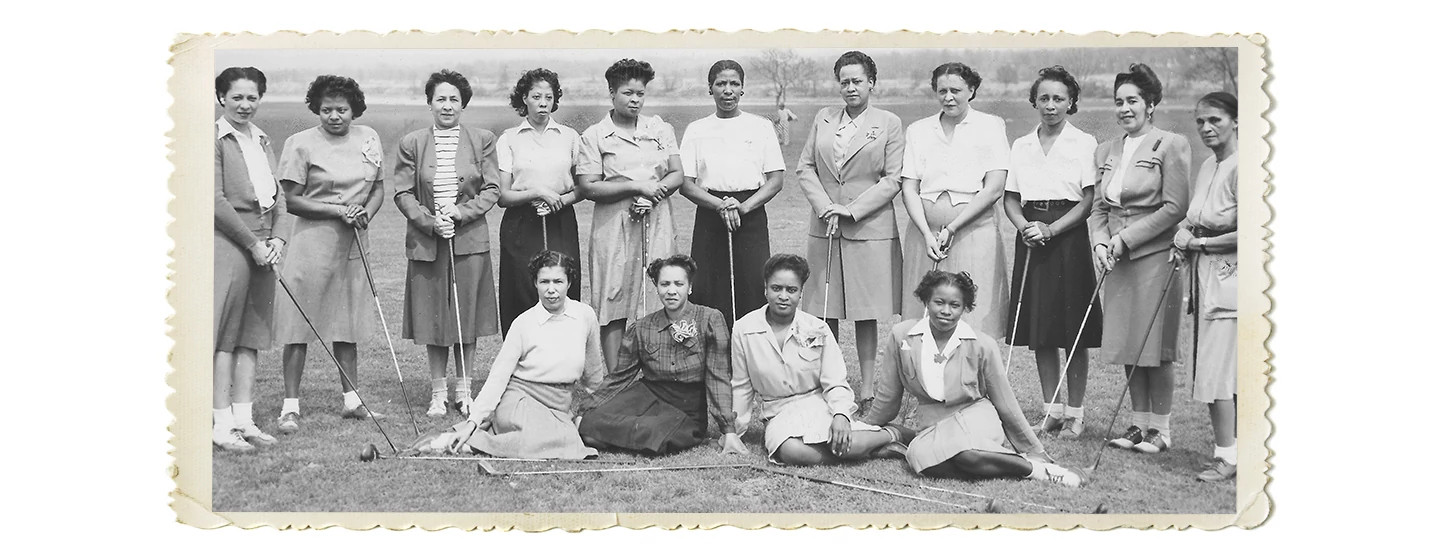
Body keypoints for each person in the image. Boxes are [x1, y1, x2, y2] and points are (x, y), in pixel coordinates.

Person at [860, 271, 1084, 486]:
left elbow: (1006, 403)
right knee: (921, 462)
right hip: (933, 424)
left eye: (955, 305)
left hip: (975, 415)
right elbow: (888, 396)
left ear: (965, 308)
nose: (946, 311)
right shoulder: (902, 336)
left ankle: (1039, 470)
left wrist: (1036, 451)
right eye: (939, 302)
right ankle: (1000, 465)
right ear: (926, 302)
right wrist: (864, 428)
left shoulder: (982, 344)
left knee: (967, 456)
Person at [272, 74, 388, 433]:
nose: (334, 116)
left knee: (347, 324)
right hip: (312, 243)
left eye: (341, 109)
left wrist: (366, 211)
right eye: (326, 110)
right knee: (299, 324)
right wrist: (339, 211)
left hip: (353, 242)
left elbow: (378, 188)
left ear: (354, 110)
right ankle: (290, 406)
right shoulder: (299, 143)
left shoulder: (369, 137)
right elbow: (291, 200)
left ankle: (352, 401)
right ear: (316, 110)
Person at [1088, 63, 1192, 454]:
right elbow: (1098, 209)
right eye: (1119, 102)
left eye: (1133, 100)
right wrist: (1100, 243)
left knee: (1154, 345)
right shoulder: (1106, 149)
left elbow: (1175, 206)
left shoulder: (1171, 143)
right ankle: (1137, 423)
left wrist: (1126, 238)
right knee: (1129, 342)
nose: (1124, 108)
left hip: (1155, 257)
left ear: (1151, 104)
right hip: (1115, 259)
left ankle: (1160, 430)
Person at [795, 50, 905, 413]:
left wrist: (851, 210)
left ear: (872, 83)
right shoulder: (824, 118)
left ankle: (869, 387)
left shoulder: (888, 122)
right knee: (821, 308)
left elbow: (892, 180)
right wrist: (826, 206)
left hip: (867, 227)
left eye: (858, 81)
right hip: (824, 224)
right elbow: (806, 167)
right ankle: (823, 381)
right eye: (844, 81)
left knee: (864, 311)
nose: (851, 87)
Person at [1001, 66, 1103, 438]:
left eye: (1059, 98)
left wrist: (1052, 228)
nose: (1050, 105)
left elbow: (1088, 200)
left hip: (1067, 237)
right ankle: (1051, 411)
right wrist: (1025, 226)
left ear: (1071, 102)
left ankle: (1075, 413)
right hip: (1031, 237)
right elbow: (1011, 199)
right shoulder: (1022, 145)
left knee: (1071, 329)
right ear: (1034, 102)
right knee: (1042, 330)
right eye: (1044, 98)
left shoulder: (1084, 142)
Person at [393, 69, 502, 418]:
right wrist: (431, 222)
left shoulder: (482, 139)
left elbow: (492, 189)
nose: (447, 105)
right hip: (428, 242)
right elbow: (403, 192)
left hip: (468, 240)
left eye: (454, 99)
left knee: (465, 316)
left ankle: (465, 391)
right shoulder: (412, 142)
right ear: (429, 103)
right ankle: (438, 393)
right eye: (440, 98)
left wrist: (460, 213)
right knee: (435, 320)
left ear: (463, 104)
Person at [731, 254, 902, 465]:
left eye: (791, 290)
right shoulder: (743, 329)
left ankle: (892, 434)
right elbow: (741, 388)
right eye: (776, 288)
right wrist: (733, 433)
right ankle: (871, 450)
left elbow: (836, 381)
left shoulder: (817, 327)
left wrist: (841, 414)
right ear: (765, 288)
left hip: (819, 405)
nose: (783, 296)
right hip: (778, 413)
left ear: (801, 293)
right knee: (793, 451)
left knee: (843, 440)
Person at [577, 255, 746, 455]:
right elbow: (619, 377)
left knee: (654, 434)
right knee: (588, 427)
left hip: (686, 407)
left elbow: (718, 377)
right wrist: (585, 409)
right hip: (646, 394)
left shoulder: (710, 319)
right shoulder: (642, 327)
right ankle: (630, 431)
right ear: (656, 287)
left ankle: (641, 433)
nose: (671, 291)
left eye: (679, 284)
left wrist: (728, 430)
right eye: (665, 284)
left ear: (690, 287)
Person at [577, 58, 684, 373]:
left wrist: (653, 194)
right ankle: (615, 378)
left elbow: (676, 174)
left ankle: (658, 372)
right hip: (613, 225)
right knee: (613, 297)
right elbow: (588, 186)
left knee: (660, 292)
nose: (635, 99)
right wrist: (635, 187)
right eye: (627, 93)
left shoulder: (659, 128)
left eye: (640, 93)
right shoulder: (595, 136)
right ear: (612, 93)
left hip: (658, 219)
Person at [447, 251, 606, 458]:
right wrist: (473, 422)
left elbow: (593, 373)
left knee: (567, 434)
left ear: (569, 283)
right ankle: (475, 441)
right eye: (544, 282)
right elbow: (498, 377)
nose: (551, 290)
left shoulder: (585, 315)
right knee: (562, 439)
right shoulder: (523, 323)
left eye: (558, 281)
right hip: (521, 400)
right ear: (535, 283)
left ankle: (507, 440)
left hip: (559, 406)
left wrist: (603, 407)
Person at [899, 62, 1010, 338]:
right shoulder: (918, 130)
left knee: (974, 315)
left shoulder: (990, 125)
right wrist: (927, 233)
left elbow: (994, 188)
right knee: (923, 313)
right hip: (925, 238)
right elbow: (909, 187)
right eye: (942, 91)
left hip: (974, 233)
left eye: (956, 90)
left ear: (971, 90)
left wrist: (952, 227)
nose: (949, 97)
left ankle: (970, 378)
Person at [213, 66, 292, 452]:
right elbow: (215, 201)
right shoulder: (213, 138)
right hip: (231, 242)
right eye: (237, 97)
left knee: (251, 335)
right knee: (225, 335)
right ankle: (221, 423)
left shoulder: (262, 139)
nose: (245, 105)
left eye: (252, 97)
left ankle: (244, 420)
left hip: (264, 243)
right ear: (221, 98)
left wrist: (277, 237)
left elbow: (279, 196)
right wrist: (251, 244)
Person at [679, 60, 786, 326]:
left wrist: (743, 207)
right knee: (707, 287)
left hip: (750, 212)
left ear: (742, 89)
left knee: (752, 284)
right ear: (710, 89)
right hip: (710, 212)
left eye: (734, 84)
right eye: (721, 84)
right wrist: (720, 205)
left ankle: (750, 357)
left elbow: (775, 179)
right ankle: (712, 358)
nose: (728, 90)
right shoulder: (697, 129)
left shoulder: (760, 126)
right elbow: (686, 183)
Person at [1175, 92, 1240, 482]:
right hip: (1204, 277)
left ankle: (1228, 456)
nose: (1206, 128)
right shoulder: (1208, 167)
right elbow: (1195, 216)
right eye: (1200, 122)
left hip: (1231, 277)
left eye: (1215, 120)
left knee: (1219, 371)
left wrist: (1197, 243)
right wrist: (1183, 234)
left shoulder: (1244, 167)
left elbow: (1251, 230)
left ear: (1236, 122)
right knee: (1215, 368)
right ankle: (1233, 451)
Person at [496, 68, 585, 337]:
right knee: (523, 289)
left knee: (561, 285)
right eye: (536, 96)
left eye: (549, 96)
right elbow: (503, 195)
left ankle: (563, 361)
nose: (543, 102)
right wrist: (537, 193)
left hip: (560, 219)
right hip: (521, 222)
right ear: (524, 98)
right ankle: (522, 366)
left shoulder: (569, 136)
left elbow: (582, 187)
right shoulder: (509, 138)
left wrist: (559, 200)